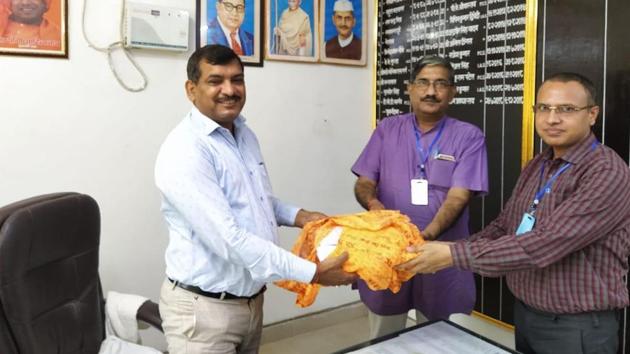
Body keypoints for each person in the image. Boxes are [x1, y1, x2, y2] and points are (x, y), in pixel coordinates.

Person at [398, 72, 630, 354]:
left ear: (592, 114)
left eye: (567, 109)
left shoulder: (605, 171)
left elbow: (547, 243)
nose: (552, 118)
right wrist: (449, 248)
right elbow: (505, 226)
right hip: (527, 314)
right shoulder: (539, 164)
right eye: (543, 108)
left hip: (576, 326)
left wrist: (451, 256)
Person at [155, 44, 357, 354]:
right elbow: (229, 239)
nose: (229, 90)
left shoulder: (243, 134)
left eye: (237, 79)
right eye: (216, 81)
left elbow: (257, 201)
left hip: (250, 302)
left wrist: (301, 216)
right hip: (204, 312)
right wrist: (314, 272)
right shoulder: (185, 151)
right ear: (191, 89)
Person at [352, 55, 488, 339]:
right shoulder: (388, 129)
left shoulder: (469, 137)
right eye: (423, 83)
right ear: (409, 88)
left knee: (439, 336)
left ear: (453, 92)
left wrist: (425, 236)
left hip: (440, 252)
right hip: (388, 250)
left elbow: (458, 197)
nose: (430, 91)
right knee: (383, 335)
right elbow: (365, 182)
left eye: (440, 84)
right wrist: (375, 206)